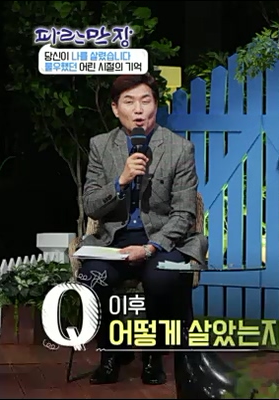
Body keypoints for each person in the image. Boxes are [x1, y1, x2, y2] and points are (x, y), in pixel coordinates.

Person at [79, 74, 208, 385]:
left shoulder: (179, 148)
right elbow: (92, 206)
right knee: (92, 277)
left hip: (162, 240)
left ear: (155, 106)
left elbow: (184, 213)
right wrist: (120, 182)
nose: (138, 109)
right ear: (115, 108)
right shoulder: (101, 146)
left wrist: (150, 248)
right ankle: (112, 352)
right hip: (113, 241)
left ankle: (153, 355)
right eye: (129, 101)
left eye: (145, 101)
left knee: (162, 278)